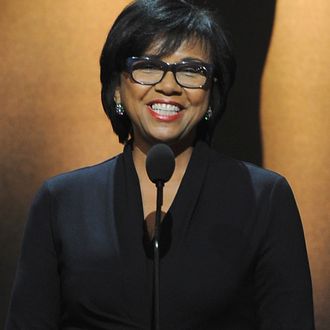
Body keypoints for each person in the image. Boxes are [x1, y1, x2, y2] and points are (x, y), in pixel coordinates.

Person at [6, 0, 315, 329]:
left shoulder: (264, 198)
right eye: (148, 66)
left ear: (211, 95)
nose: (169, 86)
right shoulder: (61, 202)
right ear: (116, 90)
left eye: (191, 70)